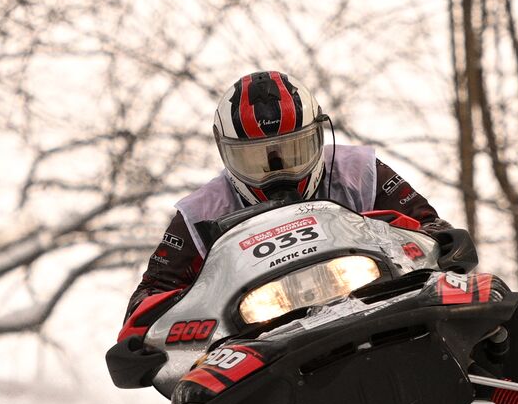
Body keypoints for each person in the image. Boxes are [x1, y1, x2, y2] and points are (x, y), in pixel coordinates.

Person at [121, 70, 451, 327]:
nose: (278, 173)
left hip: (381, 303)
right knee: (194, 401)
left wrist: (439, 240)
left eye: (294, 151)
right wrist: (158, 321)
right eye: (255, 160)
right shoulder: (199, 214)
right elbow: (150, 295)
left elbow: (429, 224)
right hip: (255, 338)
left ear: (319, 135)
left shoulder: (360, 170)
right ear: (225, 153)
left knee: (486, 302)